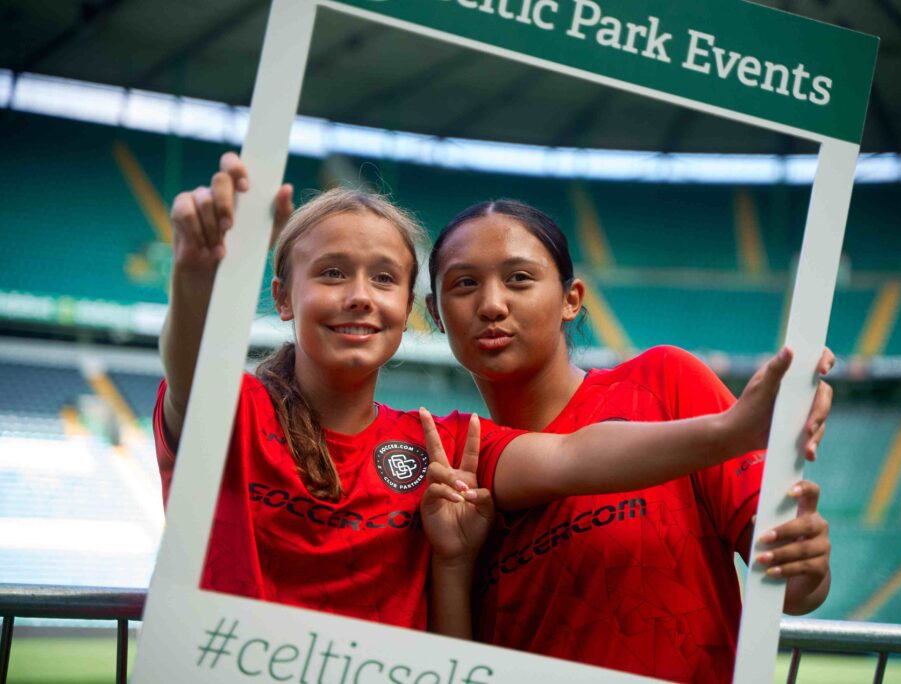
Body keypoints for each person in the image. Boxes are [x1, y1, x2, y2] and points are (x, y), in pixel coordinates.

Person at [158, 156, 818, 640]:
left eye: (383, 277)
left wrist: (734, 431)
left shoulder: (440, 445)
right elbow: (191, 378)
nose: (360, 294)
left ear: (406, 309)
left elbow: (573, 457)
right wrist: (193, 278)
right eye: (332, 273)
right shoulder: (239, 412)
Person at [425, 199, 833, 682]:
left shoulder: (665, 383)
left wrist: (805, 560)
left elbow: (791, 586)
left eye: (519, 278)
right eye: (464, 283)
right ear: (435, 312)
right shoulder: (448, 467)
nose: (492, 304)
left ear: (571, 299)